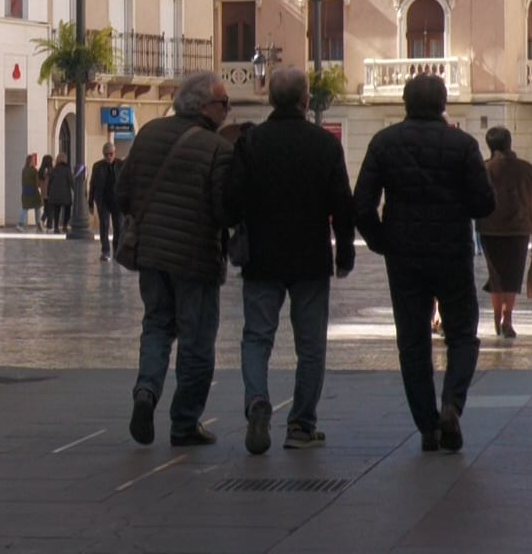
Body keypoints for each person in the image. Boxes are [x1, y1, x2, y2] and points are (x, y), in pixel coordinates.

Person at [354, 74, 496, 454]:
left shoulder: (384, 143)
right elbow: (484, 203)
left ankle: (427, 425)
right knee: (462, 333)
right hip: (451, 250)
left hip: (404, 254)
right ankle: (452, 403)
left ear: (405, 102)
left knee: (413, 341)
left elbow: (361, 203)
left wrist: (381, 240)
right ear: (443, 104)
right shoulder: (463, 145)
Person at [227, 67, 355, 454]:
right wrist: (343, 253)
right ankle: (301, 425)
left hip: (262, 257)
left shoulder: (251, 143)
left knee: (256, 337)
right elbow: (342, 206)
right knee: (311, 345)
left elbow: (231, 201)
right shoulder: (324, 144)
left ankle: (257, 400)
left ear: (269, 99)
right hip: (310, 257)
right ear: (305, 101)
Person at [120, 72, 234, 448]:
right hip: (196, 258)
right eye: (223, 103)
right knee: (196, 340)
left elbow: (122, 194)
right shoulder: (217, 148)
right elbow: (224, 209)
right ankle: (185, 421)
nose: (227, 111)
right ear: (204, 107)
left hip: (151, 253)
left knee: (156, 326)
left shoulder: (148, 133)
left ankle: (145, 392)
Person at [478, 127, 532, 340]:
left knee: (496, 276)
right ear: (509, 143)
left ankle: (497, 317)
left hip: (490, 229)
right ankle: (508, 318)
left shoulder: (484, 170)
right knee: (513, 276)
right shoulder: (527, 170)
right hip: (518, 230)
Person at [90, 142, 122, 260]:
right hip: (103, 200)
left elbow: (127, 183)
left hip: (117, 201)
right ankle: (105, 251)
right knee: (104, 225)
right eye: (106, 154)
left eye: (111, 154)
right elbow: (92, 184)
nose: (108, 156)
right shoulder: (97, 166)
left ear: (114, 153)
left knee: (119, 227)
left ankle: (117, 250)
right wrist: (91, 203)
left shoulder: (121, 165)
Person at [46, 154, 74, 233]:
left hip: (54, 194)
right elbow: (71, 181)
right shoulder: (67, 169)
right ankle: (64, 226)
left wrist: (48, 193)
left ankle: (56, 227)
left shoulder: (54, 170)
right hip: (65, 195)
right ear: (64, 160)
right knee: (67, 210)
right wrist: (76, 190)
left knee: (56, 211)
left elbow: (50, 183)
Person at [20, 153, 43, 232]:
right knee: (38, 207)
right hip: (34, 193)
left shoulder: (24, 170)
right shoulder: (34, 171)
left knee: (25, 208)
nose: (34, 161)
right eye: (33, 160)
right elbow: (37, 183)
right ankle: (38, 224)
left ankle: (21, 224)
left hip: (25, 192)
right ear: (31, 161)